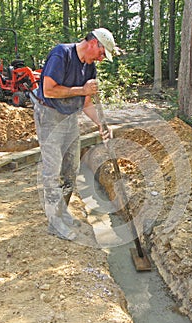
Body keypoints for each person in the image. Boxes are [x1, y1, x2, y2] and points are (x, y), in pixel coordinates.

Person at [32, 28, 115, 244]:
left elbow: (87, 103)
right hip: (49, 116)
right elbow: (49, 90)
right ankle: (54, 222)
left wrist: (101, 124)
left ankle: (62, 211)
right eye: (101, 53)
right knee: (52, 171)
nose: (101, 58)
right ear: (94, 43)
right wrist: (81, 89)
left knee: (70, 170)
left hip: (70, 118)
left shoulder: (90, 67)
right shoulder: (62, 54)